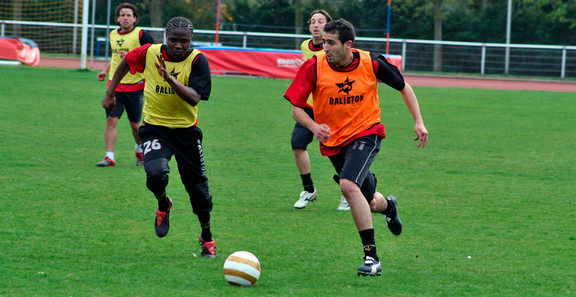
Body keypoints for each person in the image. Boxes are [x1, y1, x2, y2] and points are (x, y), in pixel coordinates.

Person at [284, 19, 429, 276]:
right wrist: (314, 126)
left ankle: (371, 258)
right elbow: (296, 107)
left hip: (366, 132)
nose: (324, 47)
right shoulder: (313, 66)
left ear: (348, 44)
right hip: (333, 141)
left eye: (331, 43)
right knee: (370, 200)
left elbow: (404, 87)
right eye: (324, 42)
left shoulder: (371, 62)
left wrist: (419, 122)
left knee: (348, 185)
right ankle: (389, 207)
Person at [101, 16, 217, 258]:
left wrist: (170, 79)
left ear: (190, 40)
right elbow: (124, 64)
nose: (178, 45)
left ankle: (206, 236)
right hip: (155, 128)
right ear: (166, 37)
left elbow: (195, 97)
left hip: (186, 132)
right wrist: (110, 92)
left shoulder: (198, 61)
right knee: (155, 175)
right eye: (173, 40)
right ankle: (163, 203)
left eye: (183, 41)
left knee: (200, 193)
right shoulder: (149, 52)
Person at [291, 10, 350, 211]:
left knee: (337, 152)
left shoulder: (335, 49)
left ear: (328, 26)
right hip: (309, 107)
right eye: (313, 22)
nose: (316, 25)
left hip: (331, 106)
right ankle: (309, 190)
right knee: (297, 144)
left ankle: (347, 193)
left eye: (321, 21)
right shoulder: (304, 46)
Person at [96, 3, 154, 167]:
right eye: (122, 15)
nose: (125, 18)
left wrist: (130, 56)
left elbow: (151, 55)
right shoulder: (112, 35)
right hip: (114, 86)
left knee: (135, 125)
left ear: (135, 18)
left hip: (134, 85)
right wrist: (105, 71)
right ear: (117, 19)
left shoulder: (141, 35)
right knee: (110, 121)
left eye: (129, 15)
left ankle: (139, 149)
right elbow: (116, 58)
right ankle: (109, 157)